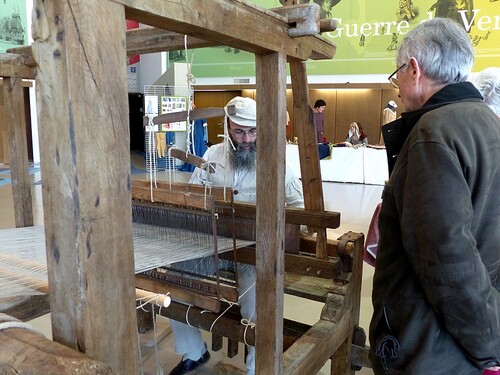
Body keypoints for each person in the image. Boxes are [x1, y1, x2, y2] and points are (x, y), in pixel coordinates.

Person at [370, 17, 500, 374]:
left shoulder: (432, 133)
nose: (396, 86)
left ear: (414, 69)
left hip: (432, 346)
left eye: (397, 73)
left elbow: (448, 261)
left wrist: (488, 348)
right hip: (464, 335)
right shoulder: (486, 122)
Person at [168, 96, 304, 375]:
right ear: (228, 127)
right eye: (239, 131)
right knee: (176, 280)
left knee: (256, 305)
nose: (246, 139)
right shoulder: (211, 156)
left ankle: (256, 368)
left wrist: (283, 237)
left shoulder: (274, 161)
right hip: (214, 245)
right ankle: (194, 351)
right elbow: (194, 195)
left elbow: (298, 207)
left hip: (255, 252)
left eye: (252, 131)